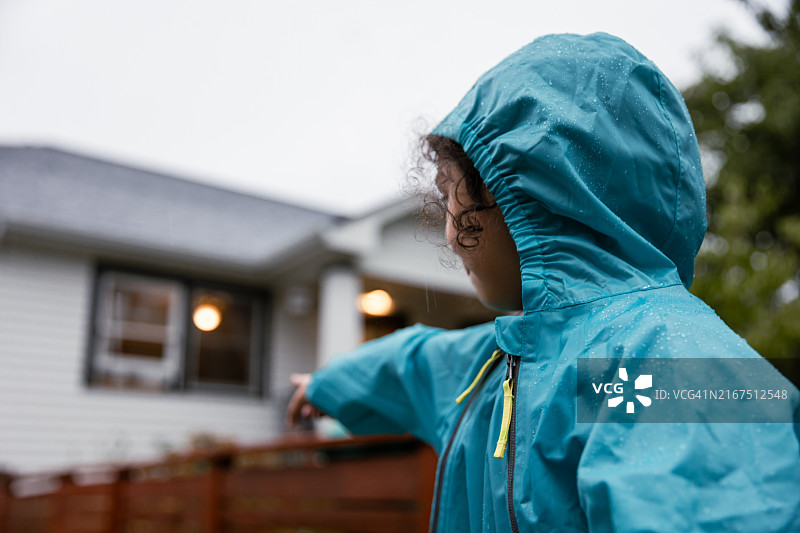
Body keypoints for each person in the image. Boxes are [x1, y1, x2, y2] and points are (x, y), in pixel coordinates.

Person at [288, 32, 800, 532]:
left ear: (539, 190)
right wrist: (326, 385)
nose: (448, 234)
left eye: (452, 195)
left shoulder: (668, 365)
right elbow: (413, 366)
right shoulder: (502, 359)